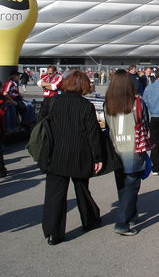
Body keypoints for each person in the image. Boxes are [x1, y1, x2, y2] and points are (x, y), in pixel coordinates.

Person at [38, 70, 103, 245]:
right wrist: (98, 157)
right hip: (80, 154)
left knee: (54, 194)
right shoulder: (86, 106)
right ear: (83, 86)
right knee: (82, 189)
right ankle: (90, 220)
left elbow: (41, 124)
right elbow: (93, 134)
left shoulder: (52, 102)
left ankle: (53, 233)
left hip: (56, 154)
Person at [104, 70, 147, 236]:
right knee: (132, 185)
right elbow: (144, 123)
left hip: (116, 147)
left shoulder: (108, 103)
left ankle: (131, 214)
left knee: (122, 184)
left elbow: (107, 125)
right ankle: (122, 222)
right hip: (133, 148)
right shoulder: (137, 102)